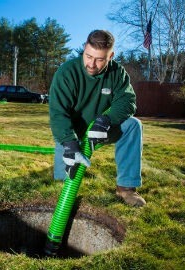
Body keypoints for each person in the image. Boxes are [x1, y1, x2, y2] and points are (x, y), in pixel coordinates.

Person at [49, 30, 146, 207]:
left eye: (100, 59)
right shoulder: (66, 72)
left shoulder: (117, 73)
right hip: (73, 130)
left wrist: (106, 120)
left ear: (111, 56)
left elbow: (127, 101)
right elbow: (58, 113)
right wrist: (69, 144)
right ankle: (61, 182)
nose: (92, 64)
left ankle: (126, 189)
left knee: (133, 126)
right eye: (88, 56)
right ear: (85, 49)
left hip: (102, 128)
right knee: (61, 185)